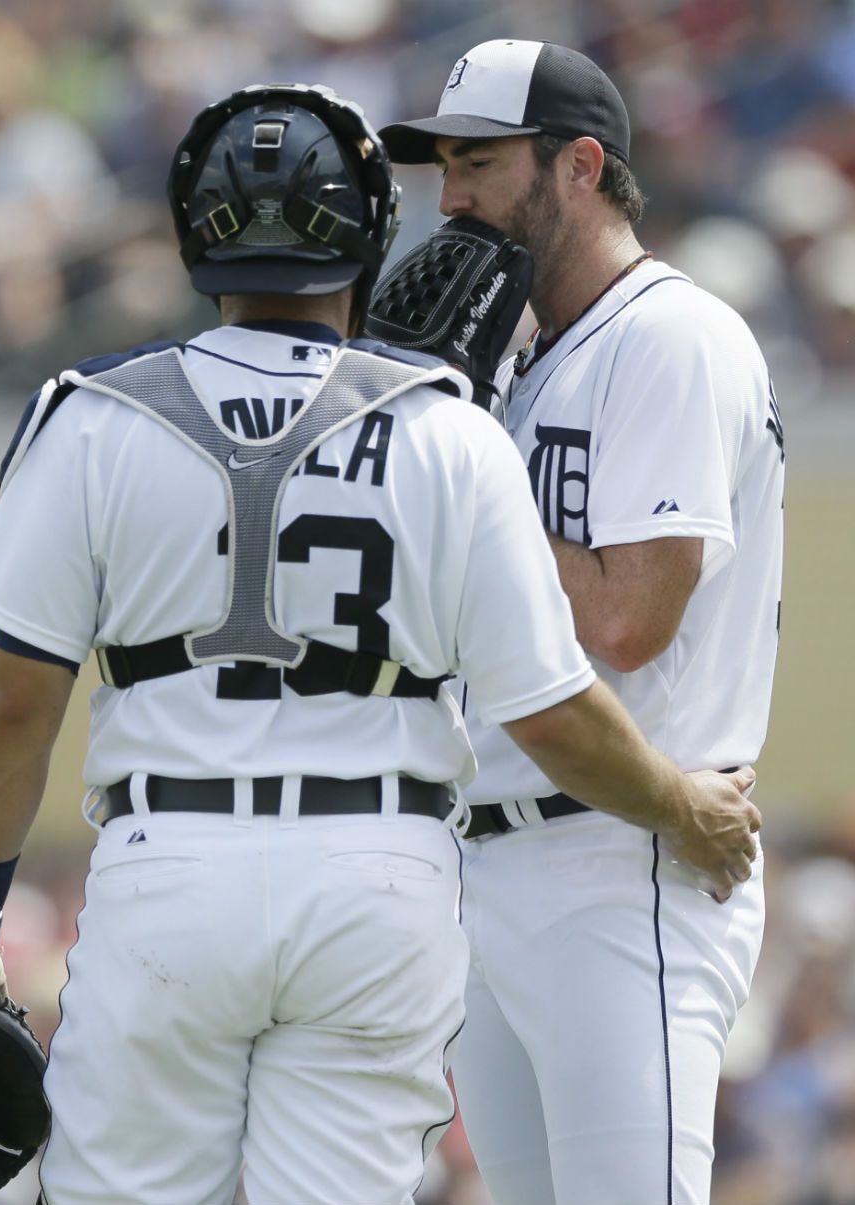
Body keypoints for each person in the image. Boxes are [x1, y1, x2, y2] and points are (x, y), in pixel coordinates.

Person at [0, 82, 760, 1205]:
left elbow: (12, 706)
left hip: (172, 862)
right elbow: (551, 710)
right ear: (370, 229)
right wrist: (679, 802)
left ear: (192, 228)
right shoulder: (448, 425)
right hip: (380, 875)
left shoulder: (92, 415)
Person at [379, 38, 784, 1205]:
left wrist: (463, 471)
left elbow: (627, 617)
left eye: (478, 163)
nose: (449, 198)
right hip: (497, 858)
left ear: (579, 166)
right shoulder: (520, 358)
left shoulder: (668, 332)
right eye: (443, 166)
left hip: (626, 855)